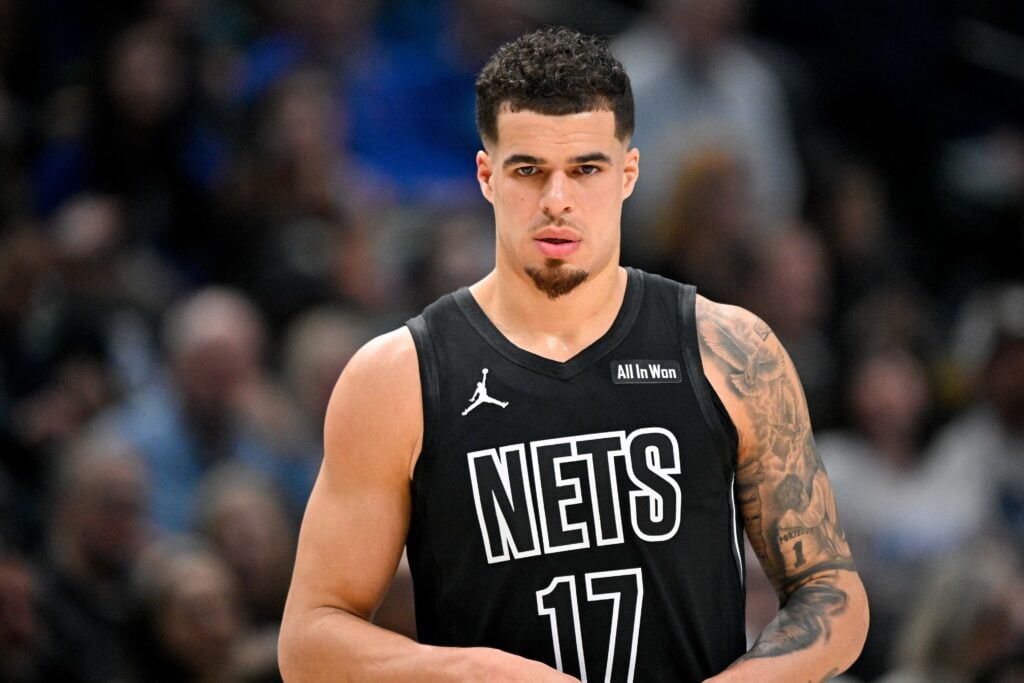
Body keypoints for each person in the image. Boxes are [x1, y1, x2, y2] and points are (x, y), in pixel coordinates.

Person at [279, 27, 868, 681]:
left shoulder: (729, 348)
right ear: (486, 177)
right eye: (528, 169)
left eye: (586, 168)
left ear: (628, 174)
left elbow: (831, 596)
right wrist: (475, 671)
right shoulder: (399, 374)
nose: (557, 198)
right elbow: (309, 641)